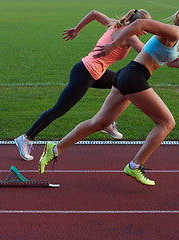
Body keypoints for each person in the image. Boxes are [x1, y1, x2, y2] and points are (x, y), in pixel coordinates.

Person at [38, 8, 179, 186]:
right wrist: (113, 45)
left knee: (100, 122)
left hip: (128, 75)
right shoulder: (175, 31)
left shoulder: (176, 37)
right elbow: (140, 24)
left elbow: (171, 62)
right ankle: (135, 166)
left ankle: (55, 148)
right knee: (167, 123)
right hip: (134, 77)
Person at [15, 9, 152, 161]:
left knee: (122, 84)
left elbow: (94, 13)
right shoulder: (130, 36)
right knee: (60, 109)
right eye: (144, 28)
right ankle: (26, 138)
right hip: (85, 73)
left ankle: (106, 121)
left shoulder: (115, 25)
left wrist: (77, 29)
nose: (145, 32)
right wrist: (167, 42)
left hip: (95, 72)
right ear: (137, 24)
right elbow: (147, 52)